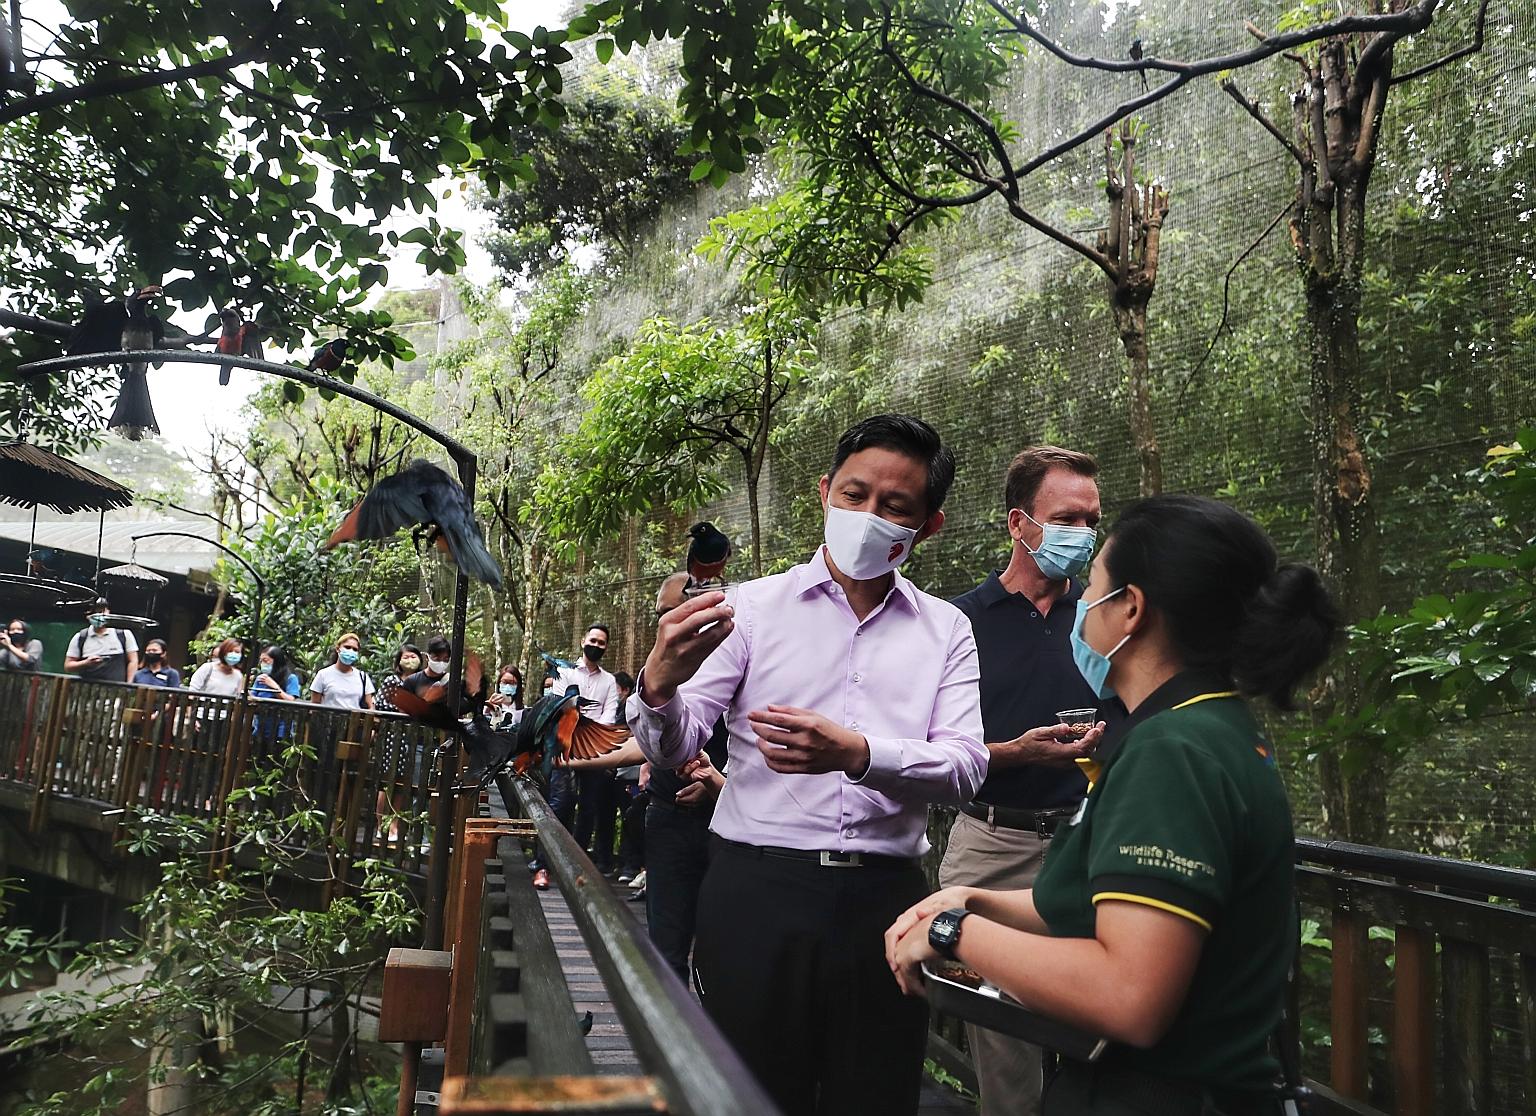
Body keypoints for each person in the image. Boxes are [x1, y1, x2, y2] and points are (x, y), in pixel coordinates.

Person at [885, 495, 1341, 1116]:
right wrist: (974, 900)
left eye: (1093, 584)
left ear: (1130, 608)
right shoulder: (1209, 725)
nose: (1081, 602)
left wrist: (954, 935)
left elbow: (1129, 994)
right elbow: (1114, 909)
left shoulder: (1173, 753)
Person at [629, 414, 987, 1115]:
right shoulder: (749, 610)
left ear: (928, 527)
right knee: (748, 1094)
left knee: (877, 1092)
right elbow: (674, 747)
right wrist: (659, 688)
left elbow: (966, 766)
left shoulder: (947, 629)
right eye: (854, 495)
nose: (867, 516)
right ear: (825, 492)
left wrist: (859, 754)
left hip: (887, 902)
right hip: (756, 890)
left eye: (895, 507)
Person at [940, 445, 1111, 1116]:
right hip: (990, 842)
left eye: (1093, 518)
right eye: (1068, 517)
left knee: (1096, 1031)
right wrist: (1015, 752)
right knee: (1002, 1040)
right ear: (1019, 523)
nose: (1085, 533)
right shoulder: (960, 621)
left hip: (1086, 843)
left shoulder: (1103, 617)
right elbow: (934, 749)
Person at [566, 624, 622, 872]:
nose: (596, 645)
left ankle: (578, 863)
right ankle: (548, 860)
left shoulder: (609, 681)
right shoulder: (565, 672)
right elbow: (562, 706)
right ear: (582, 641)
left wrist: (590, 733)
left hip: (594, 750)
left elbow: (609, 715)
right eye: (593, 640)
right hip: (565, 746)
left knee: (589, 806)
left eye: (601, 642)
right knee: (561, 802)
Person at [64, 600, 139, 682]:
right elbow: (68, 666)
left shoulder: (123, 634)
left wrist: (129, 685)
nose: (99, 615)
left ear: (108, 612)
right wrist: (86, 663)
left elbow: (133, 660)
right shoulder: (80, 637)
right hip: (87, 689)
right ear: (88, 615)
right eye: (95, 612)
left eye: (102, 611)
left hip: (117, 690)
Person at [310, 633, 375, 710]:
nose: (351, 651)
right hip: (328, 720)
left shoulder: (363, 677)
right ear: (338, 649)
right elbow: (314, 706)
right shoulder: (323, 674)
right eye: (347, 647)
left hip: (354, 720)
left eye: (354, 649)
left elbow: (371, 706)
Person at [375, 644, 422, 713]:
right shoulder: (392, 681)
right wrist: (401, 709)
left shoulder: (424, 681)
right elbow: (379, 703)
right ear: (399, 661)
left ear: (419, 659)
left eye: (413, 657)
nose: (410, 660)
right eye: (406, 658)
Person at [486, 664, 525, 730]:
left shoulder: (523, 711)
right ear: (499, 683)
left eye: (512, 683)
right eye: (504, 682)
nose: (508, 686)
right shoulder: (489, 706)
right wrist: (489, 705)